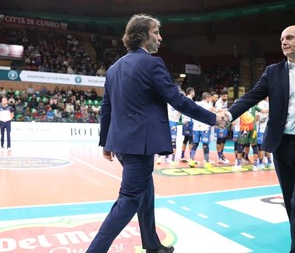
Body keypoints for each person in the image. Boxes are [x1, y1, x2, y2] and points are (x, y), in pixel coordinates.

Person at [86, 14, 227, 253]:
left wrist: (105, 143)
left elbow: (106, 109)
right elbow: (177, 101)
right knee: (129, 200)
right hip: (140, 146)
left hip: (122, 144)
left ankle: (152, 245)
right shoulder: (153, 63)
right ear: (141, 35)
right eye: (156, 33)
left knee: (146, 192)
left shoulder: (113, 69)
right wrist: (213, 118)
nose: (160, 38)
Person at [225, 25, 295, 253]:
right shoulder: (273, 71)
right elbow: (252, 96)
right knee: (289, 201)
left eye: (290, 38)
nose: (285, 42)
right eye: (283, 39)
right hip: (281, 144)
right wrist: (229, 114)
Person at [188, 92, 216, 169]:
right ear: (207, 98)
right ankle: (206, 162)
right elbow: (215, 112)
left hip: (196, 128)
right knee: (205, 144)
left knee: (195, 144)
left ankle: (191, 160)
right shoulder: (208, 106)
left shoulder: (196, 103)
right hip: (204, 128)